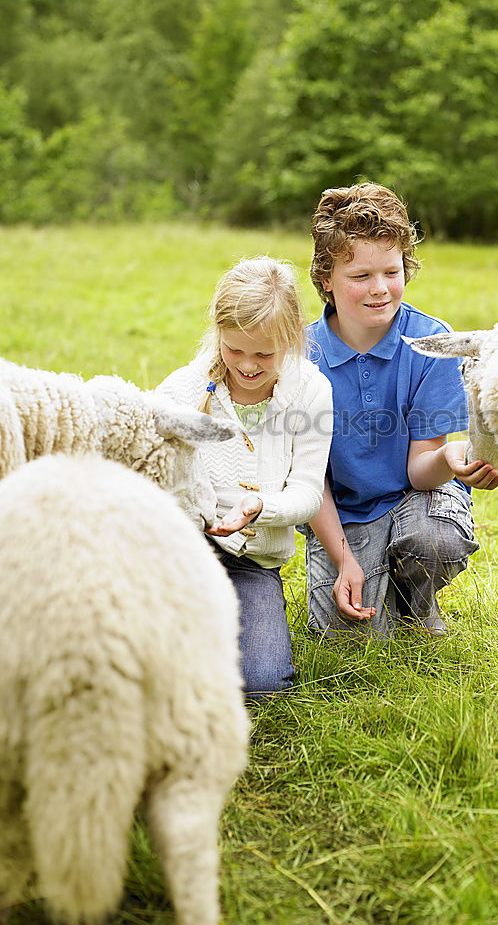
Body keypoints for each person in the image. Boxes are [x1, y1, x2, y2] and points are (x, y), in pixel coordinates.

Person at [303, 183, 498, 638]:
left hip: (417, 499)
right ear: (325, 280)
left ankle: (416, 599)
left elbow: (419, 470)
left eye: (391, 272)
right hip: (341, 511)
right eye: (360, 277)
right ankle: (373, 581)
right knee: (350, 635)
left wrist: (450, 460)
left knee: (435, 541)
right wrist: (344, 560)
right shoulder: (302, 357)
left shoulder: (431, 342)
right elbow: (311, 480)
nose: (379, 290)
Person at [158, 257, 333, 699]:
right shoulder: (182, 390)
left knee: (263, 685)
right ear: (218, 335)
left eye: (264, 354)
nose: (248, 365)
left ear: (292, 338)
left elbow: (309, 492)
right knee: (163, 669)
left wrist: (262, 507)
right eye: (234, 350)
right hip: (181, 552)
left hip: (252, 561)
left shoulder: (311, 391)